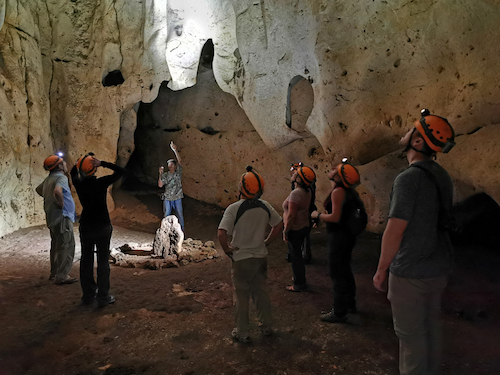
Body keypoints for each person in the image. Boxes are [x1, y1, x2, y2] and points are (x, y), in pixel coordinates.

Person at [373, 109, 456, 375]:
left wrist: (382, 268)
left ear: (418, 142)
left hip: (411, 271)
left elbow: (395, 229)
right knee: (431, 329)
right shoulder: (441, 175)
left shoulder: (408, 178)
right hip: (438, 267)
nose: (406, 132)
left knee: (410, 337)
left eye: (412, 130)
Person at [218, 166, 283, 343]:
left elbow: (221, 233)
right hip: (260, 257)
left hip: (241, 259)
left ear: (241, 188)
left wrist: (227, 249)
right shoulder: (265, 207)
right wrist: (267, 242)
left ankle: (243, 331)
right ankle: (267, 326)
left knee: (241, 296)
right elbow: (278, 225)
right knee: (261, 293)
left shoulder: (234, 209)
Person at [71, 153, 126, 307]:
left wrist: (78, 164)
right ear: (94, 169)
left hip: (86, 226)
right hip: (102, 225)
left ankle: (88, 296)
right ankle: (103, 296)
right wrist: (102, 162)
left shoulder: (79, 184)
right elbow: (122, 172)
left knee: (86, 261)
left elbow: (73, 173)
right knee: (103, 262)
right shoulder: (101, 183)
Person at [311, 159, 363, 323]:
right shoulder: (348, 191)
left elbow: (335, 217)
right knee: (345, 269)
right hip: (347, 235)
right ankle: (350, 304)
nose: (332, 169)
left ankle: (339, 312)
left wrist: (317, 215)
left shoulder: (338, 192)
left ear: (341, 177)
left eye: (337, 170)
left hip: (339, 236)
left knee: (337, 273)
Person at [36, 154, 78, 285]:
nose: (65, 164)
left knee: (55, 245)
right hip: (62, 217)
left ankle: (54, 273)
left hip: (52, 217)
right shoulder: (61, 178)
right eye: (63, 162)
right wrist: (60, 203)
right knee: (67, 245)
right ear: (59, 166)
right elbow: (57, 191)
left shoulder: (49, 179)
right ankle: (62, 275)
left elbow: (38, 189)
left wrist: (48, 199)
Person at [283, 164, 316, 292]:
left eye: (297, 174)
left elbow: (291, 215)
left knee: (295, 257)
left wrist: (286, 231)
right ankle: (299, 278)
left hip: (295, 228)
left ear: (299, 179)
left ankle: (299, 283)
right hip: (303, 226)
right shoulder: (308, 191)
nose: (294, 174)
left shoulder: (296, 194)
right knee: (298, 255)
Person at [288, 162, 317, 264]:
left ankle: (304, 256)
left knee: (301, 238)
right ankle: (302, 255)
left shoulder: (299, 191)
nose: (293, 174)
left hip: (301, 217)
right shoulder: (307, 188)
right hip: (305, 214)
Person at [158, 141, 184, 231]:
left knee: (180, 214)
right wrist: (160, 174)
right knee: (166, 215)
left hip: (177, 196)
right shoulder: (165, 175)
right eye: (168, 164)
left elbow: (180, 161)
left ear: (175, 166)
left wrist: (175, 150)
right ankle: (164, 232)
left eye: (171, 164)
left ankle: (181, 231)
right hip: (168, 197)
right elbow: (160, 185)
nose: (170, 165)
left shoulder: (178, 173)